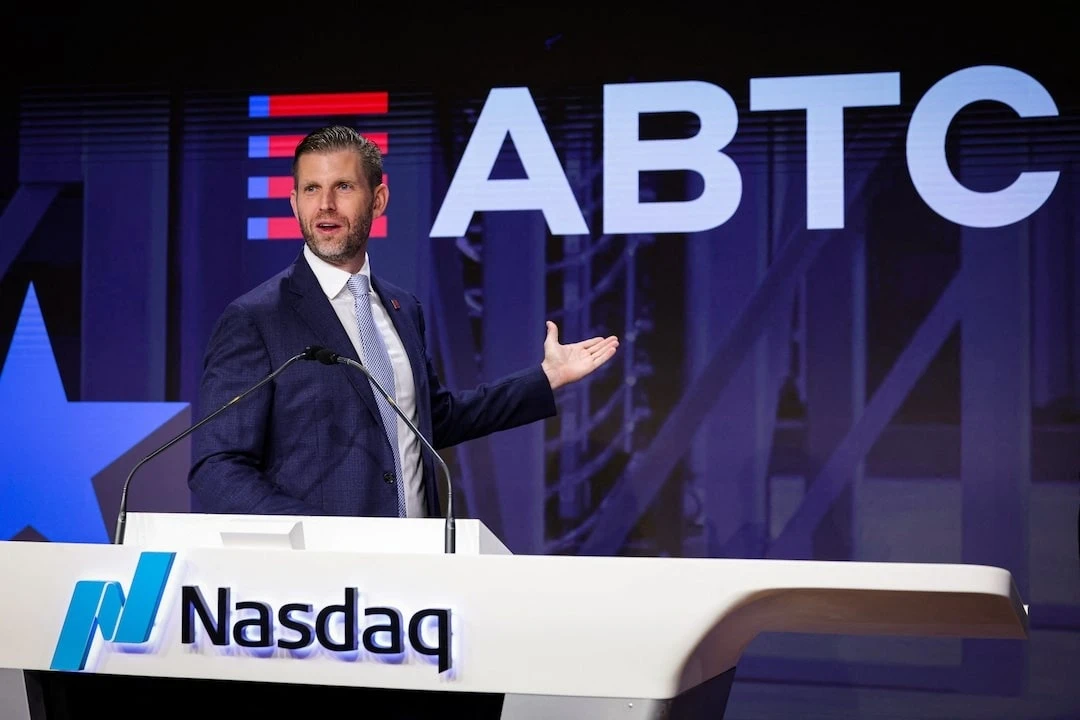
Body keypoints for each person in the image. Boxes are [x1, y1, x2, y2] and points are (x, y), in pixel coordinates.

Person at [187, 125, 619, 519]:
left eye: (343, 187)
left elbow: (431, 420)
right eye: (311, 189)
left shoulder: (402, 307)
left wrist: (545, 378)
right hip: (321, 571)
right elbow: (218, 468)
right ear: (294, 201)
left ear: (378, 200)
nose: (325, 205)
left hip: (415, 562)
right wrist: (314, 536)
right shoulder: (258, 318)